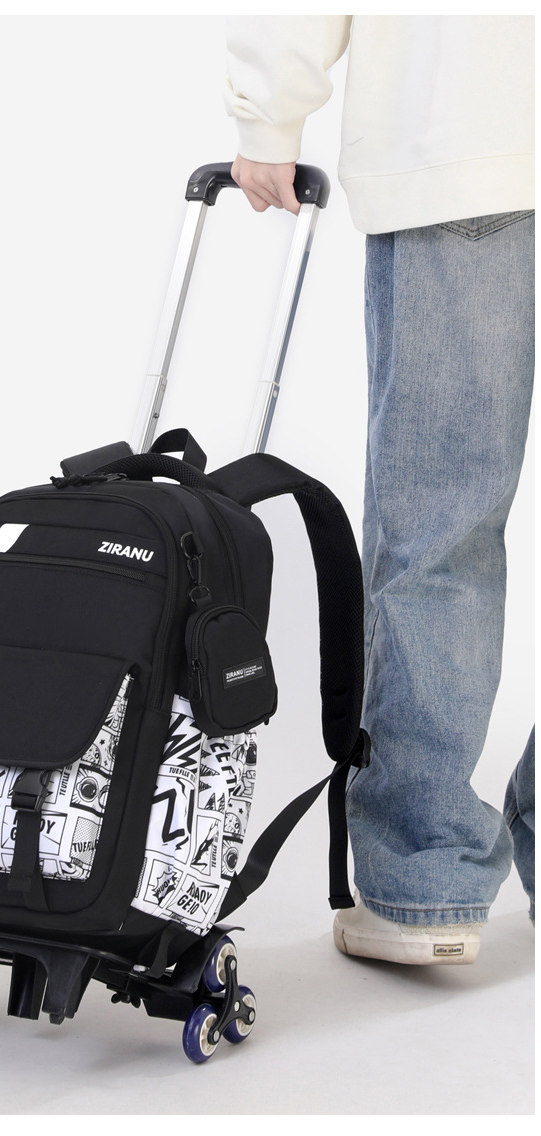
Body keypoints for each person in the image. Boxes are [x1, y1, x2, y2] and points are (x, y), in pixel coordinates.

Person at [223, 15, 534, 964]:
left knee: (442, 525)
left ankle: (426, 879)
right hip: (475, 135)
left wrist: (268, 115)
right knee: (445, 525)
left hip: (468, 138)